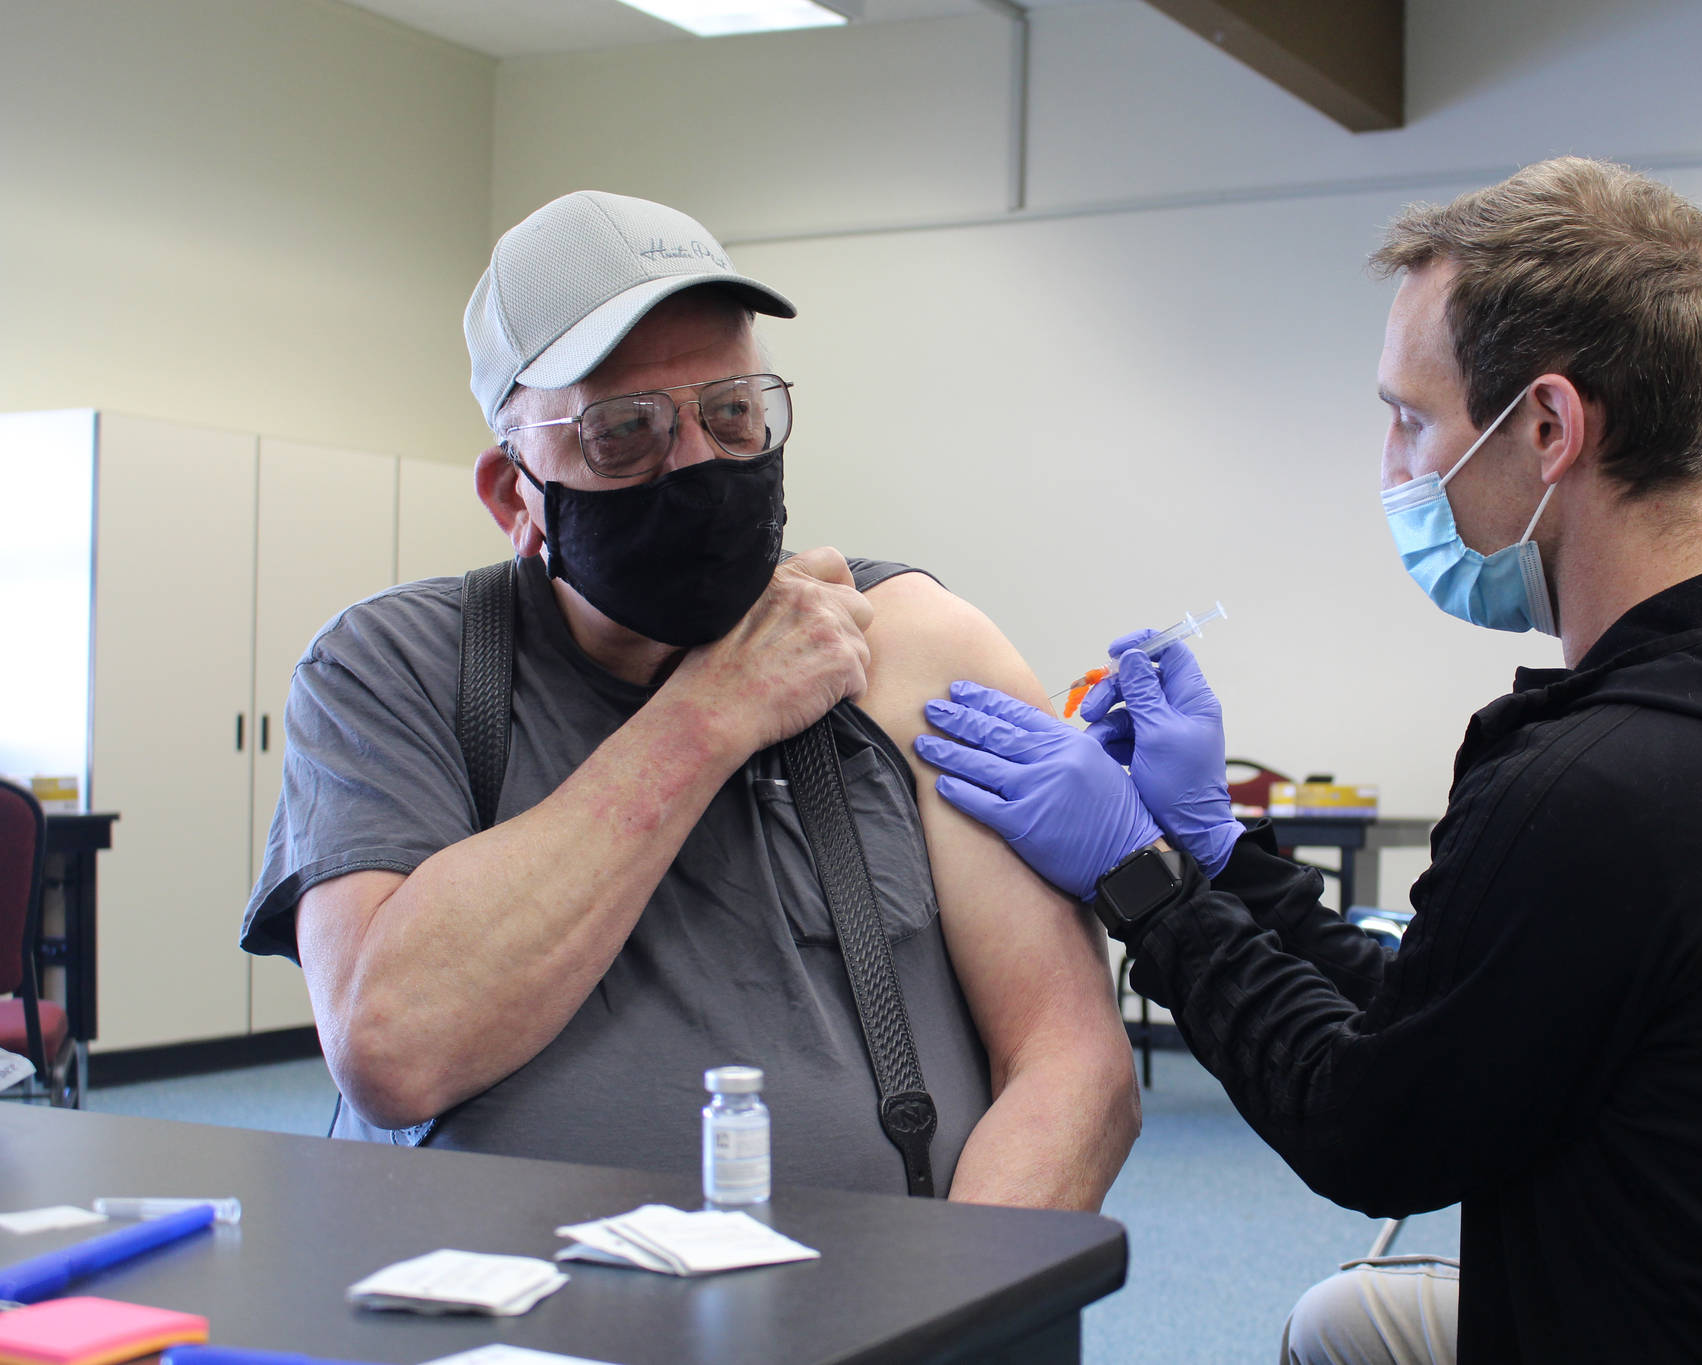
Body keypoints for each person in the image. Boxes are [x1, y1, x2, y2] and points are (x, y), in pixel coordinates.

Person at [917, 157, 1702, 1359]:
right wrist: (1214, 848)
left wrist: (1136, 875)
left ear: (1549, 426)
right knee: (1350, 1324)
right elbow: (1446, 1024)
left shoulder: (1611, 783)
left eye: (1411, 419)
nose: (1392, 466)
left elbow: (1369, 1127)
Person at [240, 190, 1138, 1209]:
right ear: (512, 494)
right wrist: (709, 715)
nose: (700, 465)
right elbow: (394, 1051)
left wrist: (949, 1308)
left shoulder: (913, 651)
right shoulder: (395, 669)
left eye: (731, 414)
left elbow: (1074, 1069)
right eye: (623, 431)